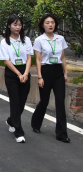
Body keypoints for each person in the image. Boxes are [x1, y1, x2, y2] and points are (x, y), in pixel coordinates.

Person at [31, 13, 70, 143]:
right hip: (46, 71)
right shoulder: (39, 40)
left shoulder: (60, 38)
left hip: (58, 72)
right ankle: (35, 123)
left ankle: (62, 133)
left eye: (52, 22)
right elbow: (38, 59)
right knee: (44, 101)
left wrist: (65, 73)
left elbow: (63, 57)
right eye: (47, 22)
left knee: (60, 102)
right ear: (43, 25)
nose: (50, 24)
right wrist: (40, 77)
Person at [0, 15, 33, 143]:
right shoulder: (4, 42)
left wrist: (26, 73)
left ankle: (11, 120)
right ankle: (19, 132)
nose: (18, 27)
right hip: (12, 72)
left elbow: (29, 57)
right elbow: (6, 60)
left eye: (19, 25)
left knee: (22, 102)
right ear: (9, 26)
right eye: (15, 24)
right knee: (15, 101)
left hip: (25, 71)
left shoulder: (26, 40)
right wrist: (19, 74)